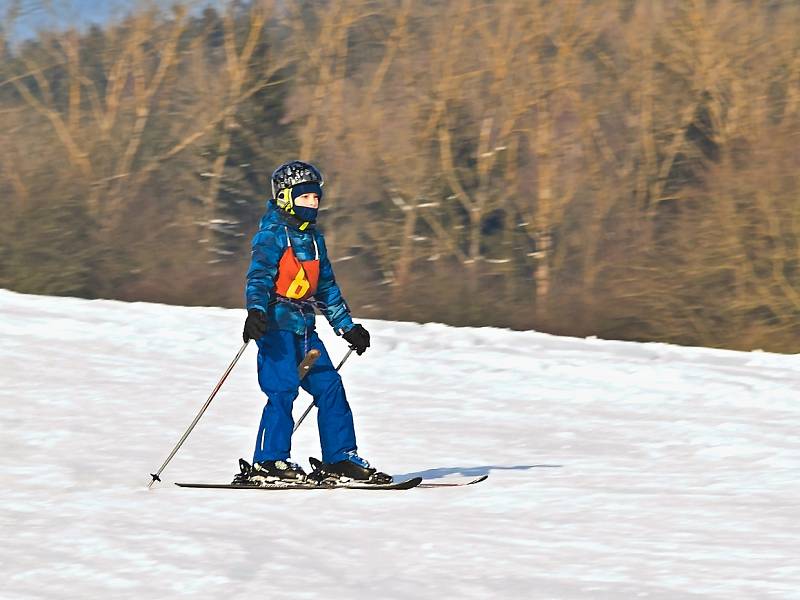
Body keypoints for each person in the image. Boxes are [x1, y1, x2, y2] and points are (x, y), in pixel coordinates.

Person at [237, 160, 390, 486]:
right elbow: (260, 277)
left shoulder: (315, 240)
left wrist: (347, 327)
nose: (313, 204)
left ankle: (340, 458)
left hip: (306, 330)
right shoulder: (272, 235)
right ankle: (268, 461)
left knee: (330, 388)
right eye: (305, 197)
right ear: (285, 198)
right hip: (276, 328)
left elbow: (326, 290)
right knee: (282, 390)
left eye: (316, 198)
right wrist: (256, 311)